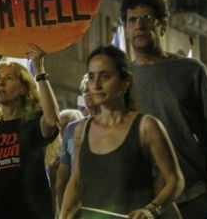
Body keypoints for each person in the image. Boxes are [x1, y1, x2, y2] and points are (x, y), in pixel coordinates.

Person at [121, 0, 207, 218]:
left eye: (147, 18)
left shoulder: (191, 71)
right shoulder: (121, 80)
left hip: (193, 196)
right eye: (132, 20)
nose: (139, 25)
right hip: (145, 201)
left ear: (162, 25)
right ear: (126, 29)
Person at [61, 45, 184, 219]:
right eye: (91, 77)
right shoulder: (82, 130)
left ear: (126, 82)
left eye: (105, 76)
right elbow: (75, 181)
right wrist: (64, 215)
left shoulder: (146, 126)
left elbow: (175, 180)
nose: (96, 85)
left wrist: (151, 209)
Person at [0, 44, 61, 219]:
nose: (1, 83)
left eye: (9, 78)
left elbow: (51, 120)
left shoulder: (33, 123)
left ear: (23, 89)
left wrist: (40, 71)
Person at [56, 75, 97, 215]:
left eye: (92, 88)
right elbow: (63, 177)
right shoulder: (73, 129)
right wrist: (64, 212)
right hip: (80, 206)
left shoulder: (119, 125)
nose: (88, 93)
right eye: (85, 90)